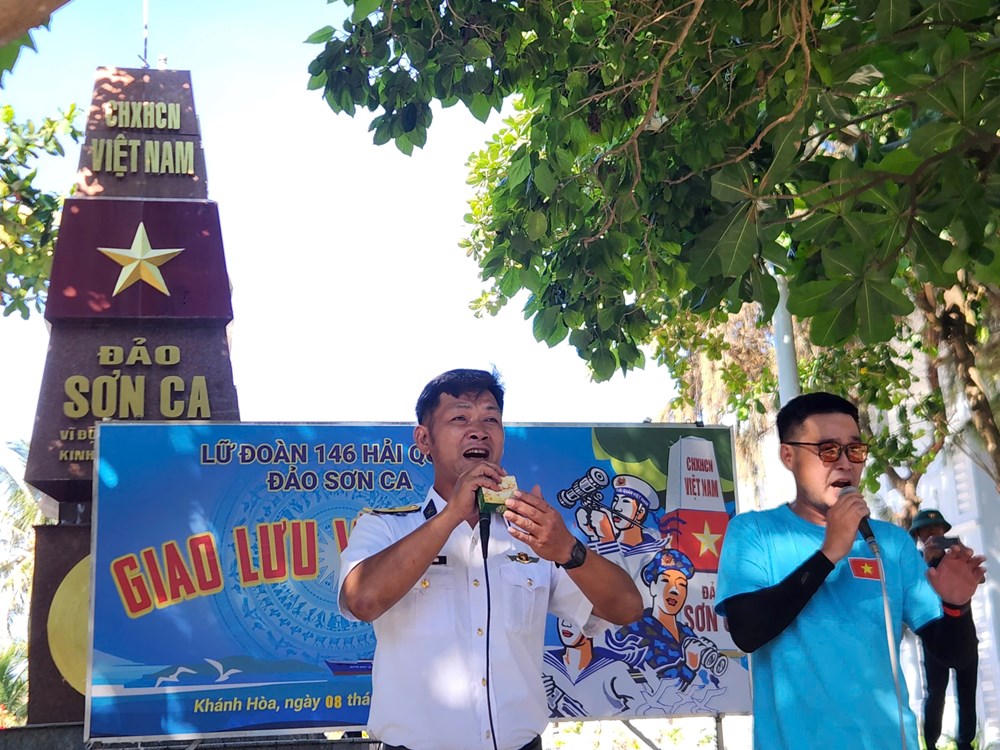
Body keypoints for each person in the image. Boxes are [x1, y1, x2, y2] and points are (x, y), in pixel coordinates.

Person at [337, 368, 643, 750]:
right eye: (460, 418)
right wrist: (451, 515)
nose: (478, 431)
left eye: (491, 419)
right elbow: (362, 600)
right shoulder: (385, 528)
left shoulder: (534, 535)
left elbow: (627, 608)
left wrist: (568, 549)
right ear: (424, 439)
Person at [715, 392, 984, 750]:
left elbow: (953, 655)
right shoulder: (754, 533)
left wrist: (956, 605)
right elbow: (747, 632)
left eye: (854, 450)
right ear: (788, 456)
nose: (844, 463)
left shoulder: (890, 543)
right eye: (827, 449)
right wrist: (829, 553)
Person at [909, 508, 979, 750]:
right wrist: (926, 563)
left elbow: (978, 579)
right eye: (926, 530)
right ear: (918, 535)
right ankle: (931, 743)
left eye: (937, 528)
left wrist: (964, 557)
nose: (933, 533)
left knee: (967, 691)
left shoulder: (956, 558)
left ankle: (966, 743)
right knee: (936, 693)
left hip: (964, 634)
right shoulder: (914, 564)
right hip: (935, 637)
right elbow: (911, 594)